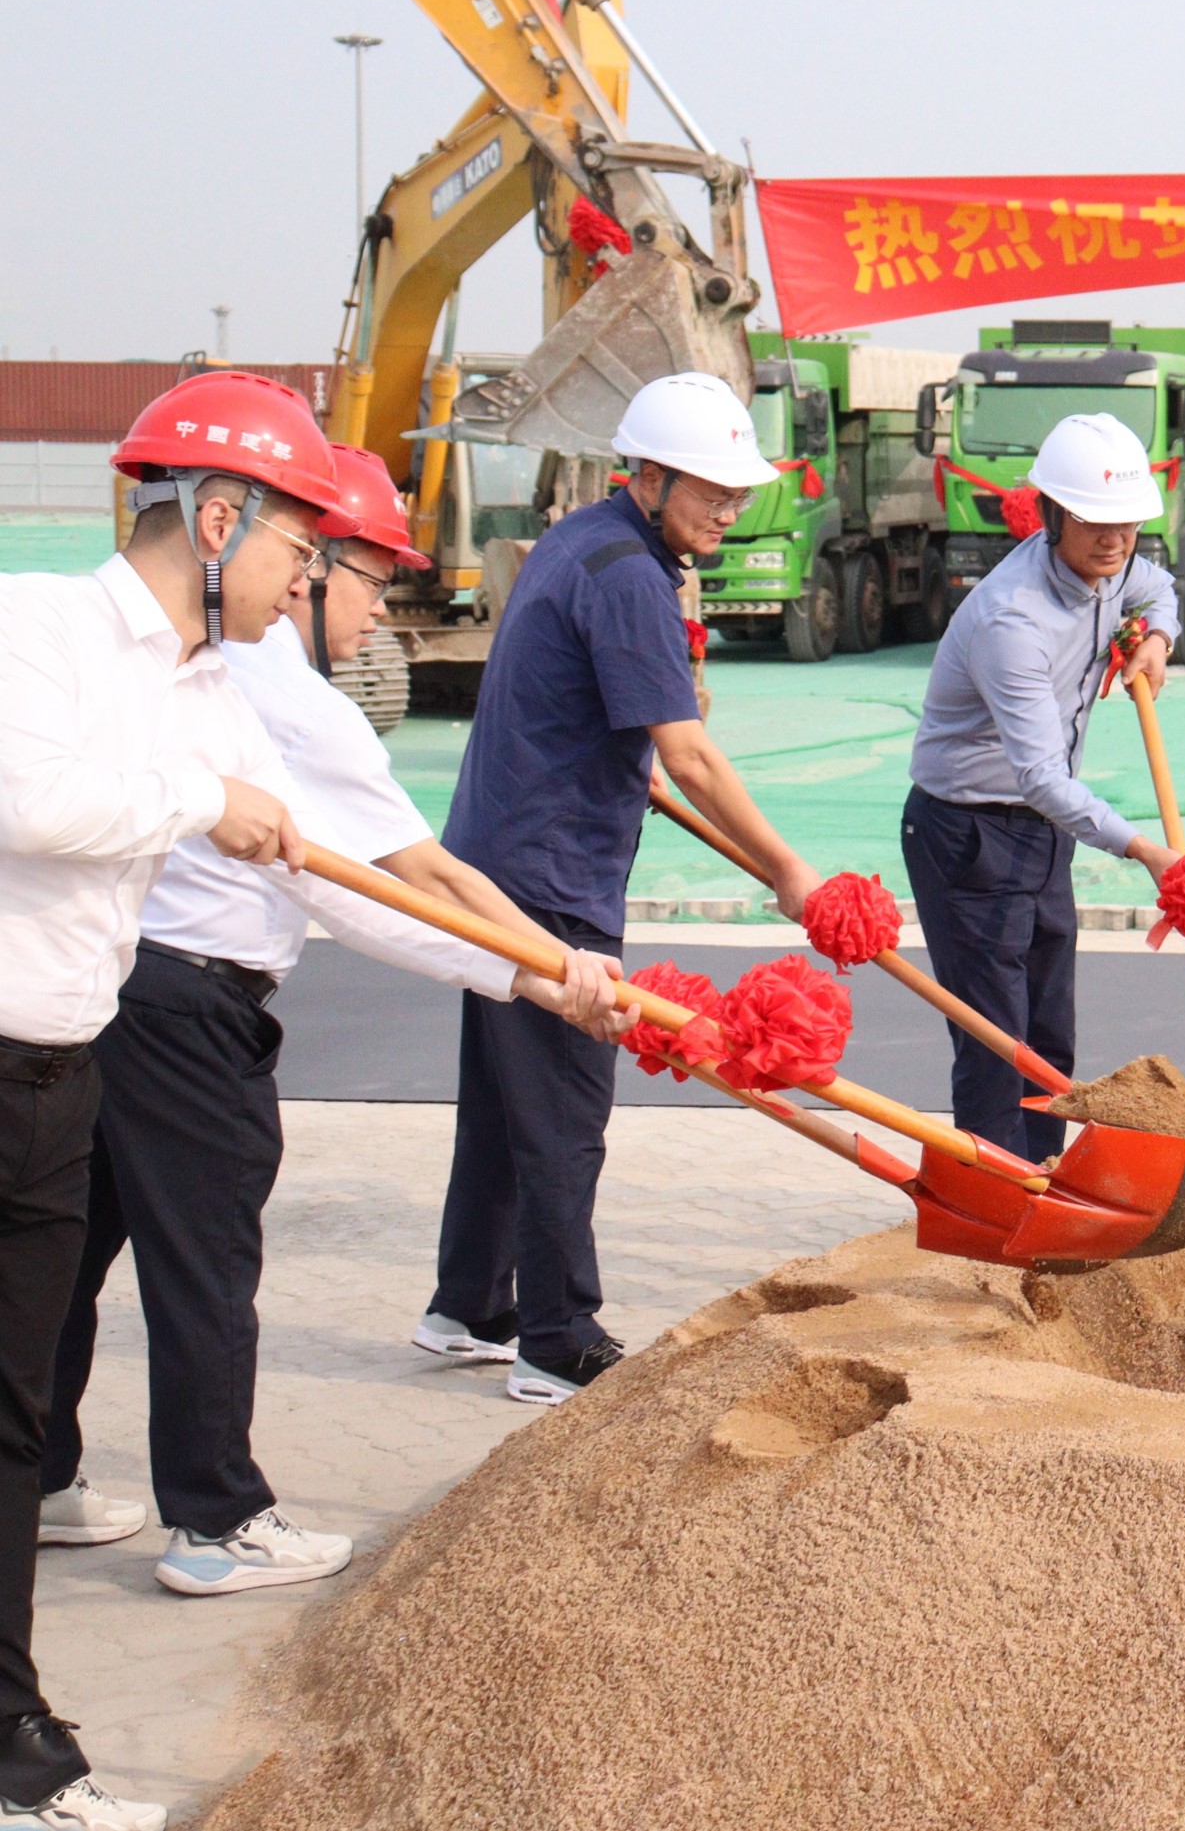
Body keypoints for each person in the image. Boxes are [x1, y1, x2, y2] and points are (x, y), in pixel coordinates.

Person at [37, 445, 627, 1607]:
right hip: (185, 1010)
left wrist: (540, 968)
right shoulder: (283, 700)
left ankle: (45, 1474)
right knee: (209, 1264)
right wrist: (543, 973)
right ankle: (217, 1519)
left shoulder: (207, 673)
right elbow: (387, 883)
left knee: (74, 1252)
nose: (358, 604)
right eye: (350, 571)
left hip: (115, 998)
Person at [0, 371, 357, 1831]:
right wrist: (201, 804)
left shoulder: (209, 688)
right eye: (297, 549)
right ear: (218, 521)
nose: (306, 582)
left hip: (61, 1076)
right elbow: (31, 800)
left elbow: (326, 853)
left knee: (17, 1418)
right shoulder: (42, 629)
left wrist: (539, 975)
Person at [427, 373, 818, 1407]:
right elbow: (689, 755)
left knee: (501, 1102)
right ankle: (558, 1339)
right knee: (564, 1112)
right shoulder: (632, 577)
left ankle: (468, 1304)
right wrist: (788, 870)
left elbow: (597, 714)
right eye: (711, 492)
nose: (728, 512)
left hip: (495, 855)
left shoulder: (579, 540)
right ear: (647, 475)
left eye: (738, 494)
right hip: (547, 878)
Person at [902, 412, 1185, 1160]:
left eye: (1128, 523)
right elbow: (1042, 777)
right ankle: (994, 1197)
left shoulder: (1116, 568)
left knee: (1049, 1032)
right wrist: (1145, 851)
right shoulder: (1012, 619)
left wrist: (1156, 638)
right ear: (1050, 513)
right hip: (968, 831)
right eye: (1095, 522)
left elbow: (1159, 588)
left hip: (1042, 830)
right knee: (997, 1041)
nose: (1115, 540)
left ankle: (1044, 1176)